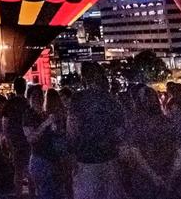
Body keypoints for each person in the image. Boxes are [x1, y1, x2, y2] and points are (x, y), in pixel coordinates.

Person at [67, 62, 126, 199]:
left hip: (86, 159)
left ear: (84, 78)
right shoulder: (111, 99)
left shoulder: (78, 98)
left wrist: (71, 154)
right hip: (110, 157)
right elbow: (120, 130)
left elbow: (72, 129)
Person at [26, 87, 66, 199]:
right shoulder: (28, 115)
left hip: (52, 159)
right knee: (46, 193)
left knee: (56, 193)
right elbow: (31, 138)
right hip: (40, 159)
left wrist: (57, 129)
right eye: (35, 97)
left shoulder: (45, 114)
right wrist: (46, 123)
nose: (38, 99)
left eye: (40, 96)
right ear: (29, 99)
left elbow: (53, 133)